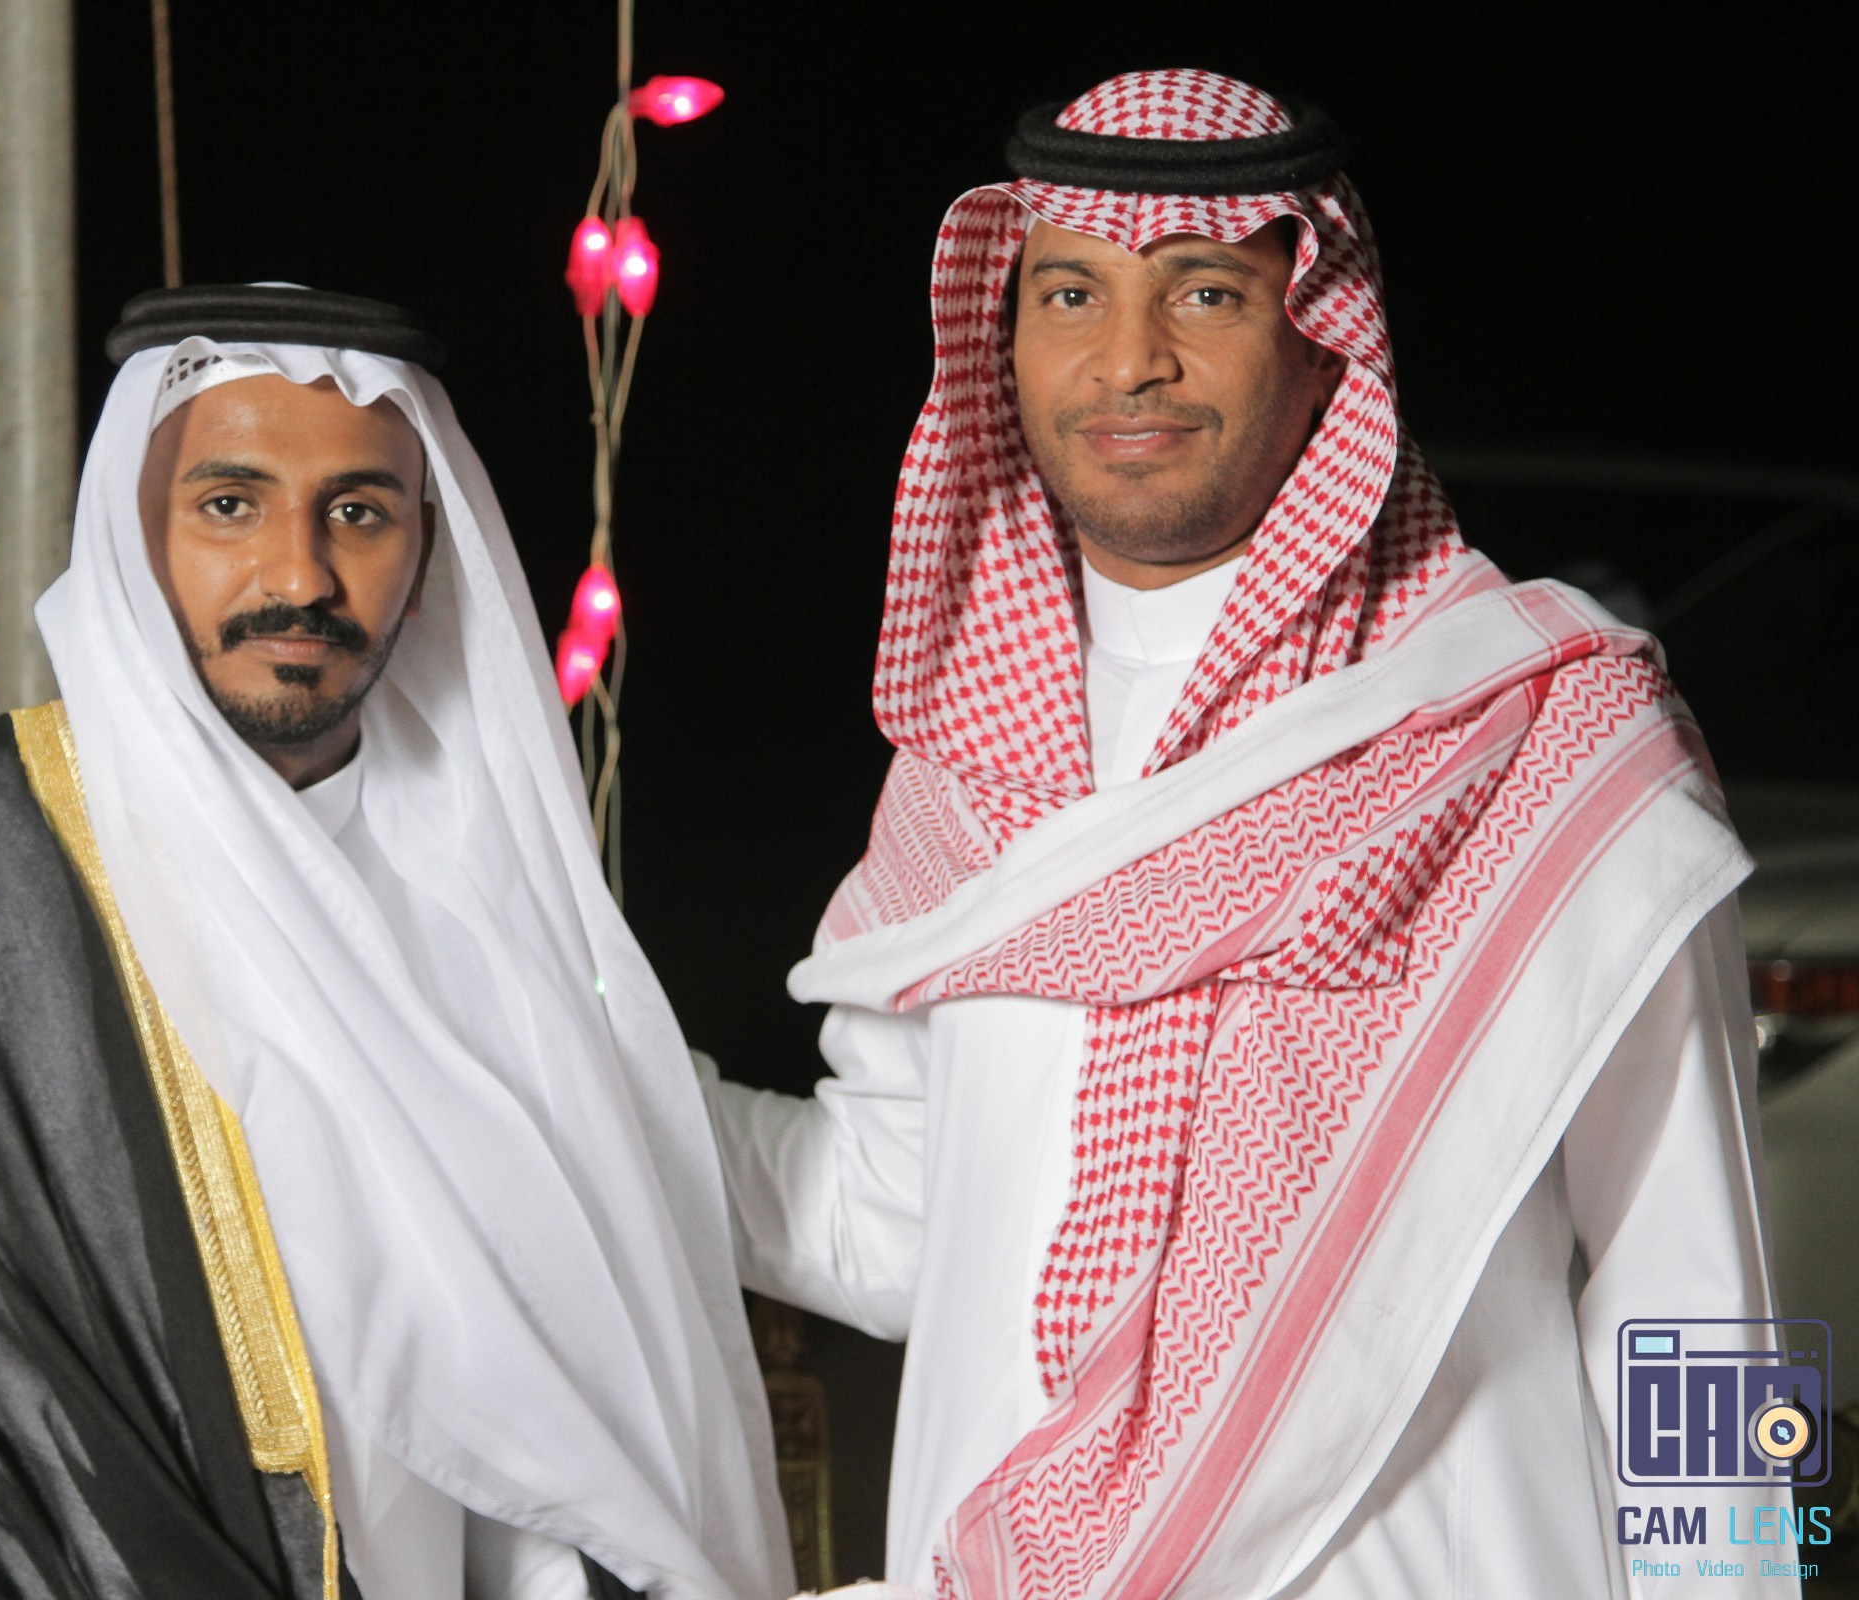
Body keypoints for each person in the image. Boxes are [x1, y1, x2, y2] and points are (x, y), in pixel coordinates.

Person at [703, 71, 1791, 1599]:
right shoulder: (961, 786)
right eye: (1070, 295)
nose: (1127, 359)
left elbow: (1702, 1311)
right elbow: (891, 1231)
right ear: (1004, 337)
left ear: (1318, 328)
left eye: (1204, 290)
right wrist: (568, 1086)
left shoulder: (1546, 750)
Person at [0, 284, 794, 1600]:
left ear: (426, 557)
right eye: (229, 503)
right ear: (133, 538)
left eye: (359, 512)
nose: (299, 574)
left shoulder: (485, 911)